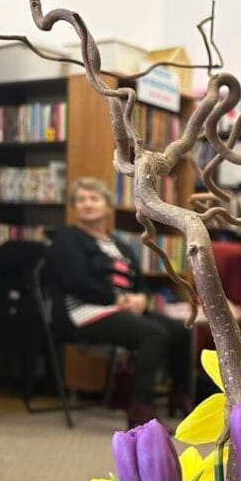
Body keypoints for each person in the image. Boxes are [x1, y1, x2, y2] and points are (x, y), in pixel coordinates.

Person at [47, 177, 193, 428]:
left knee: (180, 330)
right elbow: (76, 281)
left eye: (94, 199)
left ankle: (179, 396)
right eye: (81, 200)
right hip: (84, 311)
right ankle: (140, 409)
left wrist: (141, 299)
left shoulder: (120, 245)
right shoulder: (67, 239)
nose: (87, 204)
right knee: (153, 334)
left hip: (119, 308)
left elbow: (140, 283)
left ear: (107, 206)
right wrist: (116, 298)